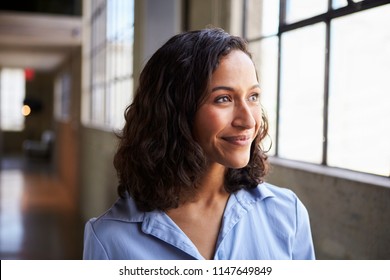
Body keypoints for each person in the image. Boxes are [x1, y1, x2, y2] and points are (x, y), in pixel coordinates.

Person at [83, 27, 315, 260]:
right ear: (175, 110)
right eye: (223, 99)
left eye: (253, 96)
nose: (248, 120)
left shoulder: (288, 215)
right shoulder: (109, 239)